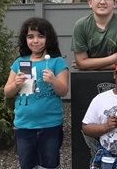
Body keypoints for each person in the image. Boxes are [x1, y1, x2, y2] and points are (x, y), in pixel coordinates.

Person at [4, 17, 69, 169]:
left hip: (50, 125)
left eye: (41, 36)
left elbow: (63, 91)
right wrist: (16, 83)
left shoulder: (57, 62)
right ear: (25, 39)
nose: (35, 41)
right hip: (23, 126)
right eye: (30, 36)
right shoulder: (20, 62)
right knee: (27, 165)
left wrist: (53, 80)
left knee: (50, 164)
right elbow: (7, 92)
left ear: (49, 38)